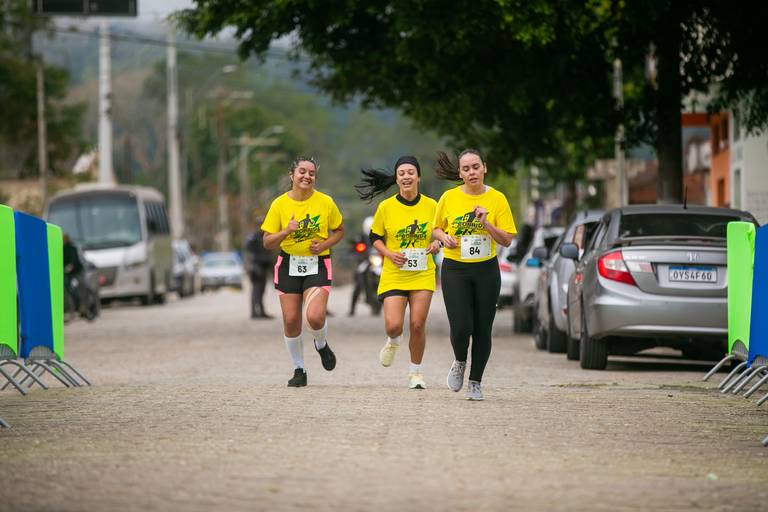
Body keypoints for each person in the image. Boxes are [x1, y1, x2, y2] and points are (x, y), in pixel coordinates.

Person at [432, 149, 516, 400]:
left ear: (484, 168)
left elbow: (507, 240)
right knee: (461, 327)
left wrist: (486, 224)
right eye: (466, 169)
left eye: (475, 167)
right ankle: (460, 361)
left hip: (486, 269)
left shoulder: (497, 199)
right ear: (460, 173)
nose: (471, 172)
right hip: (455, 269)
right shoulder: (449, 197)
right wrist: (445, 237)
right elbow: (436, 229)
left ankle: (475, 382)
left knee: (482, 329)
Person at [355, 156, 440, 389]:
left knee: (417, 324)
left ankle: (415, 373)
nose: (406, 176)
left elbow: (442, 232)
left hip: (422, 272)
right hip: (395, 272)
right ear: (396, 178)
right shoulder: (386, 207)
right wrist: (388, 254)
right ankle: (393, 340)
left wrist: (437, 244)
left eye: (411, 172)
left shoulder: (432, 206)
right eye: (401, 173)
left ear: (418, 177)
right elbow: (375, 237)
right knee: (394, 325)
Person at [261, 156, 345, 387]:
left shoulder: (325, 202)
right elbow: (267, 241)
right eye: (302, 172)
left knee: (315, 317)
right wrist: (285, 231)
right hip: (288, 264)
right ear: (292, 175)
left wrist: (324, 244)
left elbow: (339, 230)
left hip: (317, 263)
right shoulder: (279, 204)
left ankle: (321, 344)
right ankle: (299, 369)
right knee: (291, 320)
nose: (307, 176)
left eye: (312, 173)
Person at [244, 216, 274, 319]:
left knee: (262, 290)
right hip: (256, 266)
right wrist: (251, 266)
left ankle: (261, 311)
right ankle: (254, 312)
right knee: (256, 290)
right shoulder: (253, 237)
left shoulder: (266, 236)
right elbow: (247, 252)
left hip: (264, 266)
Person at [63, 233, 87, 316]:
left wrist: (71, 266)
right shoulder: (61, 248)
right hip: (67, 272)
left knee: (82, 286)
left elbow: (74, 259)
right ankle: (73, 308)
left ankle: (83, 306)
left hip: (77, 271)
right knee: (68, 289)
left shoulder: (73, 248)